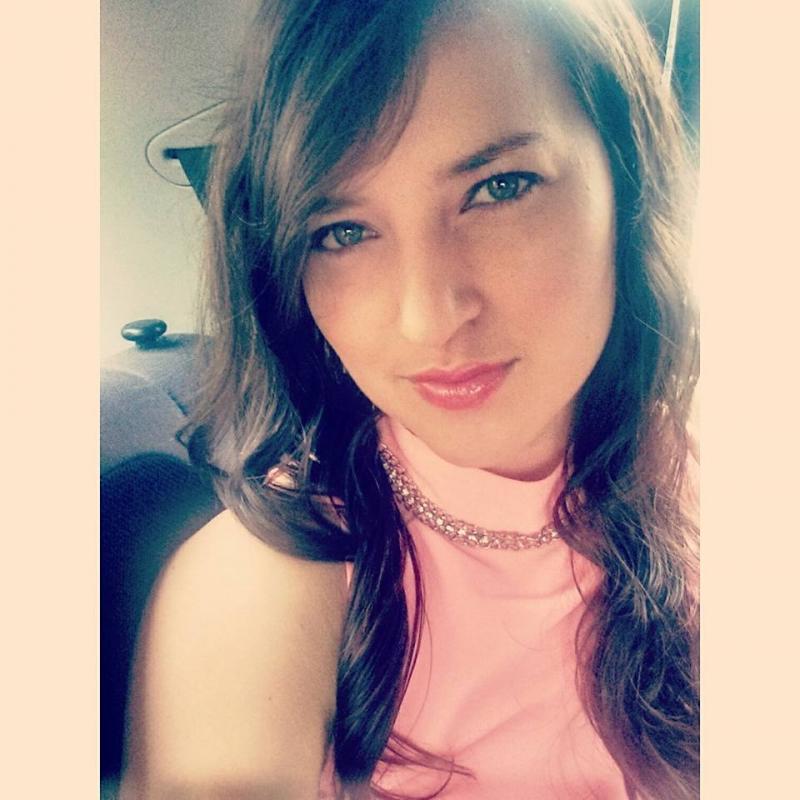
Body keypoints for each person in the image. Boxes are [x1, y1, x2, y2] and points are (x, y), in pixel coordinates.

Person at [121, 0, 700, 797]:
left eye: (498, 188)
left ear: (627, 181)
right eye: (342, 232)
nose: (427, 317)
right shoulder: (258, 592)